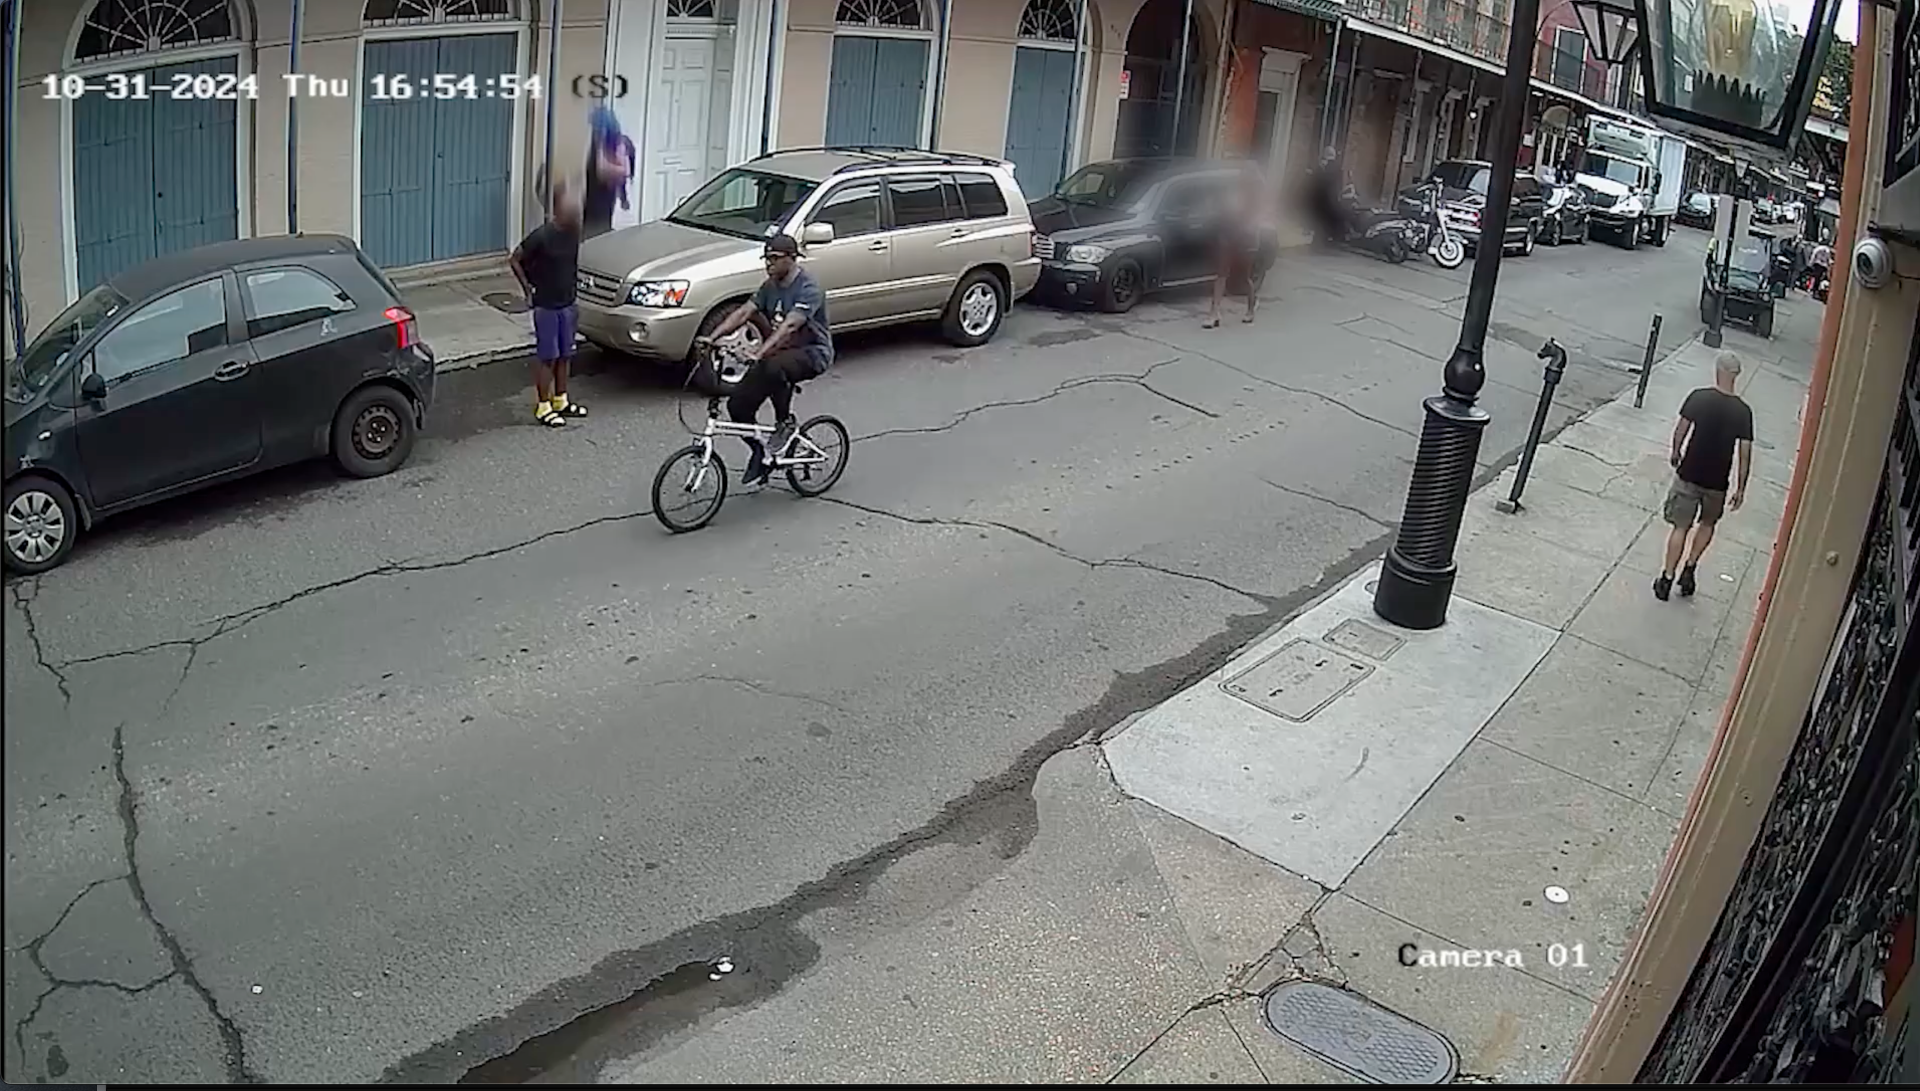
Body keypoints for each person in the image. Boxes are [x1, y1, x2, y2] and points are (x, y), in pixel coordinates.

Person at [696, 233, 833, 487]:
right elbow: (744, 313)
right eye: (766, 258)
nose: (768, 264)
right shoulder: (769, 286)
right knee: (738, 406)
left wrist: (758, 354)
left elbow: (790, 326)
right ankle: (761, 453)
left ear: (791, 259)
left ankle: (785, 423)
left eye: (774, 258)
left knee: (772, 366)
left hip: (813, 353)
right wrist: (712, 338)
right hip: (778, 355)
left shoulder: (808, 288)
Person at [1656, 352, 1754, 601]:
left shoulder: (1699, 398)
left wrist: (1675, 452)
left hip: (1690, 473)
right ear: (1736, 376)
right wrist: (1741, 488)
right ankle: (1690, 567)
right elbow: (1745, 453)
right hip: (1717, 482)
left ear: (1717, 370)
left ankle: (1666, 577)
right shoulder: (1743, 412)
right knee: (1707, 525)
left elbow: (1681, 431)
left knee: (1681, 527)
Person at [508, 180, 587, 428]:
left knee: (565, 354)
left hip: (568, 304)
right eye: (569, 204)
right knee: (548, 357)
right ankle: (543, 406)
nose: (575, 208)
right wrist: (528, 289)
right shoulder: (542, 236)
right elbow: (514, 259)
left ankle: (560, 400)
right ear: (556, 207)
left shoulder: (574, 232)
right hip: (547, 306)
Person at [1204, 167, 1267, 328]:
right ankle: (1214, 312)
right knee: (1221, 274)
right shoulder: (1234, 193)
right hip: (1229, 236)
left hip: (1247, 240)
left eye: (1246, 178)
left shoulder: (1257, 200)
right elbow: (1225, 211)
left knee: (1244, 278)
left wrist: (1247, 230)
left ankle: (1251, 308)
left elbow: (1255, 221)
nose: (1242, 180)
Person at [582, 107, 634, 239]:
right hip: (592, 194)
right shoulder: (597, 142)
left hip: (604, 193)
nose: (595, 130)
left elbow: (624, 170)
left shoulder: (617, 143)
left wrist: (623, 196)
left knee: (598, 230)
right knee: (590, 229)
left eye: (597, 127)